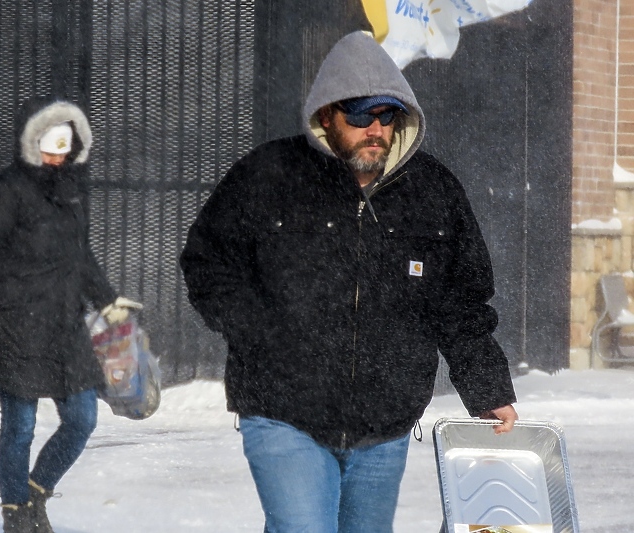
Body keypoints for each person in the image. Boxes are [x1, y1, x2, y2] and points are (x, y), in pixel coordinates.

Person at [179, 31, 518, 532]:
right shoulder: (269, 175)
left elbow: (461, 301)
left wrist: (486, 387)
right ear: (327, 115)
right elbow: (208, 262)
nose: (375, 129)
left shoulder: (433, 191)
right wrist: (261, 333)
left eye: (387, 116)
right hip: (283, 412)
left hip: (385, 425)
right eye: (360, 114)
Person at [0, 95, 142, 532]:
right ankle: (16, 513)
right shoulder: (4, 191)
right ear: (30, 142)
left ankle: (36, 492)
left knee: (82, 419)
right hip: (14, 323)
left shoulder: (74, 190)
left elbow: (81, 255)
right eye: (49, 145)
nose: (57, 156)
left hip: (63, 325)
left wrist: (107, 299)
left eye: (64, 147)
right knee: (19, 425)